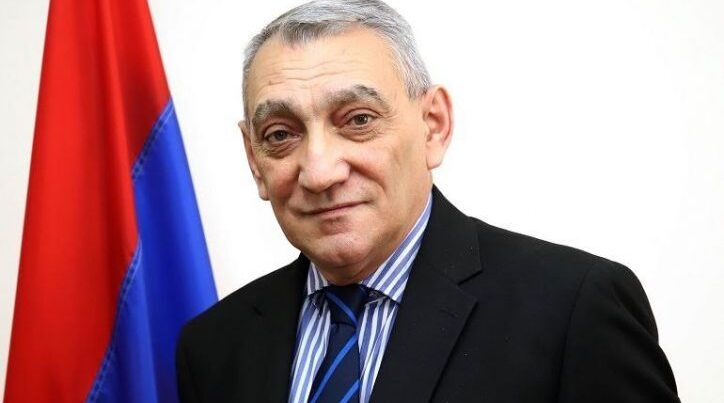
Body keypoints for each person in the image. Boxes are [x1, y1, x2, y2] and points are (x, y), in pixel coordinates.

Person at [175, 0, 679, 401]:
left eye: (358, 120)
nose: (320, 171)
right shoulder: (214, 346)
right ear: (254, 159)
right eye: (281, 134)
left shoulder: (574, 309)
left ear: (433, 126)